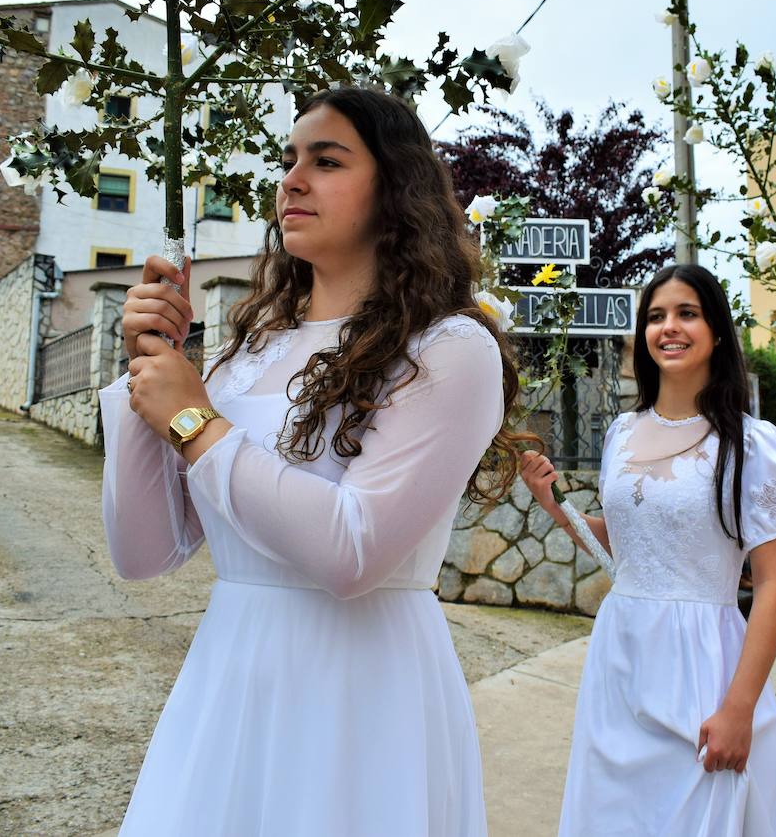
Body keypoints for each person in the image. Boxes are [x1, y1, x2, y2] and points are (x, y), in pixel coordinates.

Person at [99, 87, 528, 835]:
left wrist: (195, 421)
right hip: (231, 683)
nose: (292, 180)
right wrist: (148, 375)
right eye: (289, 161)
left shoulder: (449, 350)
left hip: (360, 698)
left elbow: (352, 552)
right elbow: (144, 553)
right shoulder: (251, 350)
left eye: (326, 161)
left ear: (396, 190)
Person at [522, 264, 776, 835]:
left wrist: (740, 706)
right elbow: (625, 545)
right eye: (655, 317)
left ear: (717, 332)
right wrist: (554, 503)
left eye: (686, 313)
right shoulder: (621, 434)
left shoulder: (753, 444)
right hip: (620, 654)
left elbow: (774, 582)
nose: (668, 328)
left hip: (704, 660)